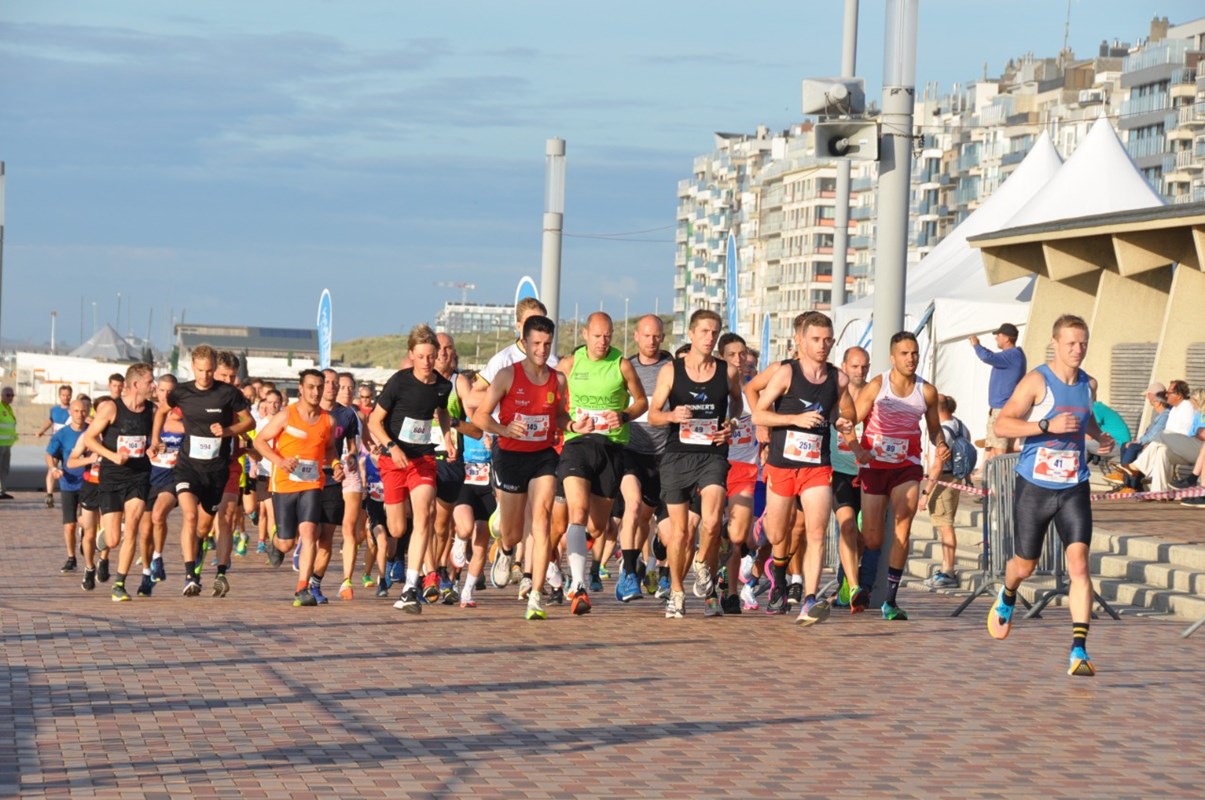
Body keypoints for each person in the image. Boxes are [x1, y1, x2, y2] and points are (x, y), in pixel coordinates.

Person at [988, 314, 1114, 677]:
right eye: (1071, 343)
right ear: (1054, 344)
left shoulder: (1088, 384)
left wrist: (1098, 437)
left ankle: (1079, 650)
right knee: (1024, 566)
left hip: (1074, 486)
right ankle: (1008, 593)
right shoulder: (1036, 381)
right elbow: (1002, 424)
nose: (1077, 350)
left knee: (1079, 565)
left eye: (1083, 343)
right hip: (1036, 486)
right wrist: (1046, 425)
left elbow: (1086, 418)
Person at [752, 311, 859, 624]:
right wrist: (793, 419)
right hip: (782, 465)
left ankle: (809, 600)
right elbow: (759, 414)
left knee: (816, 533)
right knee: (777, 533)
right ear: (802, 341)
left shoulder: (838, 378)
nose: (822, 345)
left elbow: (842, 413)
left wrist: (842, 422)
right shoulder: (787, 373)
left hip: (817, 467)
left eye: (827, 340)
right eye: (816, 339)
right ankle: (772, 551)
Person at [471, 314, 569, 619]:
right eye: (536, 343)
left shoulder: (558, 379)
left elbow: (560, 416)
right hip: (511, 456)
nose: (542, 350)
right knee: (512, 533)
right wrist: (504, 430)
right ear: (524, 343)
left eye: (547, 344)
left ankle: (535, 595)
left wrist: (573, 424)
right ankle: (505, 550)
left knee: (542, 521)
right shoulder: (506, 375)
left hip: (543, 456)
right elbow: (480, 416)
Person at [553, 312, 649, 616]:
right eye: (597, 336)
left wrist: (624, 416)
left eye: (607, 336)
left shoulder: (621, 364)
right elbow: (554, 409)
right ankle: (578, 585)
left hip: (611, 448)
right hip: (577, 445)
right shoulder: (569, 365)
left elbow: (641, 402)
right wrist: (571, 424)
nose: (602, 342)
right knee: (578, 512)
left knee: (598, 526)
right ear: (585, 334)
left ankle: (573, 564)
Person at [649, 309, 742, 619]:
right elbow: (653, 414)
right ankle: (676, 592)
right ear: (691, 334)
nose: (710, 337)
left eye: (714, 332)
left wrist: (731, 423)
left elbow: (737, 403)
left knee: (713, 522)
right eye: (704, 331)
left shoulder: (727, 371)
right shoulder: (671, 371)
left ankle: (702, 562)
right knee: (680, 534)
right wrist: (671, 415)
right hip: (677, 455)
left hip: (712, 454)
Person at [855, 331, 950, 620]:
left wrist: (941, 443)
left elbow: (934, 429)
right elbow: (853, 418)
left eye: (914, 353)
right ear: (892, 357)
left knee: (902, 525)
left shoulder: (926, 391)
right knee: (872, 538)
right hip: (874, 465)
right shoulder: (877, 385)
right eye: (905, 354)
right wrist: (851, 441)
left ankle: (891, 600)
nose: (911, 358)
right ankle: (859, 583)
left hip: (906, 465)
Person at [150, 344, 254, 598]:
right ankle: (190, 575)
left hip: (220, 468)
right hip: (188, 466)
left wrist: (229, 433)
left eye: (210, 371)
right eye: (201, 371)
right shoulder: (183, 392)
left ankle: (217, 570)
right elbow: (164, 415)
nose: (206, 376)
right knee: (190, 516)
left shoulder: (229, 394)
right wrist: (157, 439)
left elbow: (248, 422)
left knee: (210, 524)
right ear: (193, 368)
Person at [366, 324, 455, 614]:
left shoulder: (443, 386)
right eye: (421, 357)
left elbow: (442, 411)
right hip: (393, 460)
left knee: (425, 514)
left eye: (431, 356)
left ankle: (411, 587)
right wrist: (392, 447)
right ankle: (399, 553)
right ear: (411, 355)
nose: (427, 362)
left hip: (422, 459)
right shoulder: (399, 382)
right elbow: (373, 422)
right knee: (397, 528)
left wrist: (448, 439)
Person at [254, 369, 344, 607]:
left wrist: (336, 464)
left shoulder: (328, 420)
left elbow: (329, 449)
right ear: (301, 389)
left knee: (309, 533)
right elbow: (259, 441)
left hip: (312, 483)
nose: (316, 392)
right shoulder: (286, 415)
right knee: (286, 543)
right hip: (284, 484)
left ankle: (302, 588)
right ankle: (275, 541)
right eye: (311, 387)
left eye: (320, 387)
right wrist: (280, 461)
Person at [80, 363, 156, 602]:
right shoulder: (112, 408)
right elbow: (89, 438)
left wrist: (155, 447)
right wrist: (112, 456)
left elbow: (152, 440)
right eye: (150, 382)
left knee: (132, 527)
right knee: (113, 539)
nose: (153, 386)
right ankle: (104, 538)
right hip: (112, 476)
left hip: (139, 475)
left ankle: (119, 584)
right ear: (136, 384)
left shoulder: (151, 410)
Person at [617, 314, 673, 603]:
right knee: (634, 505)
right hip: (632, 453)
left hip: (665, 455)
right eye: (646, 335)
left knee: (665, 526)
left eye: (656, 336)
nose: (652, 341)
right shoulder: (626, 368)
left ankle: (658, 563)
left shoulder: (672, 368)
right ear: (636, 336)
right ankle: (628, 573)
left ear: (662, 337)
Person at [921, 394, 968, 589]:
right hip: (956, 479)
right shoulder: (960, 426)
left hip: (944, 480)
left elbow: (937, 465)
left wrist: (925, 493)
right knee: (946, 525)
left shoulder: (943, 432)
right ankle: (945, 569)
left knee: (945, 526)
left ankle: (948, 571)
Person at [45, 398, 89, 572]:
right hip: (68, 483)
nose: (80, 414)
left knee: (87, 522)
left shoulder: (93, 432)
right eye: (76, 411)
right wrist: (53, 468)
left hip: (89, 484)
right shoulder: (62, 434)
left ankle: (86, 539)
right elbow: (49, 454)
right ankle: (71, 558)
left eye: (83, 411)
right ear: (70, 412)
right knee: (70, 525)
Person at [970, 323, 1026, 460]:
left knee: (1000, 451)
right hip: (1002, 408)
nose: (996, 338)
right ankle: (986, 471)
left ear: (1006, 338)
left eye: (998, 335)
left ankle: (1002, 474)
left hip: (1002, 410)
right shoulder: (1014, 355)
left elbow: (987, 357)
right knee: (992, 449)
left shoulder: (1012, 355)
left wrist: (976, 345)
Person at [37, 385, 74, 507]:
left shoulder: (74, 410)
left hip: (70, 444)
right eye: (63, 395)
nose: (66, 397)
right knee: (51, 467)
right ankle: (49, 495)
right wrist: (42, 430)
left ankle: (71, 493)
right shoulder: (54, 410)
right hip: (57, 443)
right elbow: (50, 421)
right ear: (59, 396)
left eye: (68, 395)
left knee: (70, 468)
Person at [0, 385, 16, 499]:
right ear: (2, 396)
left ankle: (2, 491)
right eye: (8, 395)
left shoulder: (8, 409)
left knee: (5, 469)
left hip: (7, 444)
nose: (10, 397)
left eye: (12, 395)